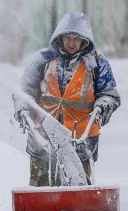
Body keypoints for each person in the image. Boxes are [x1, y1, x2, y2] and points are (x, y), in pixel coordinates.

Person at [17, 11, 120, 186]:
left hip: (81, 137)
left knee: (80, 182)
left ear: (84, 40)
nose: (71, 43)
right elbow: (25, 90)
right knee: (41, 182)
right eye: (67, 38)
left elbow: (109, 94)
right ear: (60, 37)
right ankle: (40, 209)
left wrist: (103, 105)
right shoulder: (43, 59)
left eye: (76, 39)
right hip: (43, 134)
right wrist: (22, 106)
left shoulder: (96, 63)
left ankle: (81, 209)